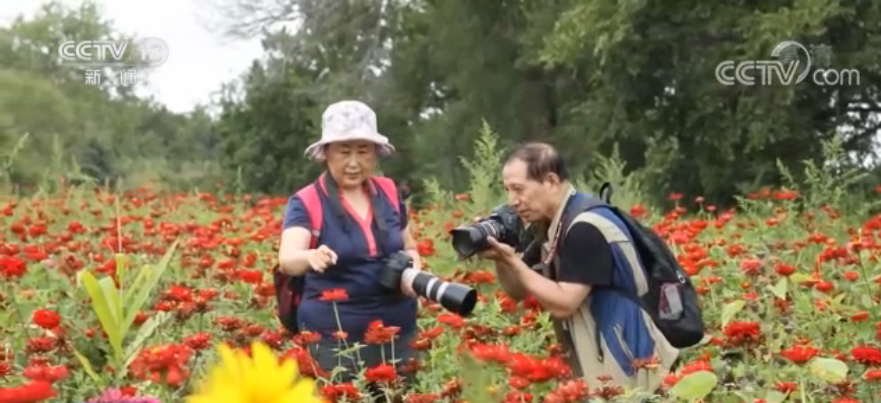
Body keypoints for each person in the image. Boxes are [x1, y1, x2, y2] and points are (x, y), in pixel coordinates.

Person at [476, 142, 679, 397]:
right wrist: (501, 256)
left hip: (630, 359)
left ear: (550, 181)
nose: (512, 201)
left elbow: (564, 303)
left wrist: (515, 262)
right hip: (603, 356)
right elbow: (518, 291)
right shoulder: (552, 225)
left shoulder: (585, 227)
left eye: (519, 189)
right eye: (507, 190)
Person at [276, 100, 421, 395]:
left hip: (398, 333)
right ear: (326, 154)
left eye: (363, 151)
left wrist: (415, 277)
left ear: (375, 154)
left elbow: (410, 247)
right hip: (335, 341)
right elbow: (287, 260)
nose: (354, 162)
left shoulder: (390, 194)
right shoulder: (307, 201)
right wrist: (310, 256)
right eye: (344, 151)